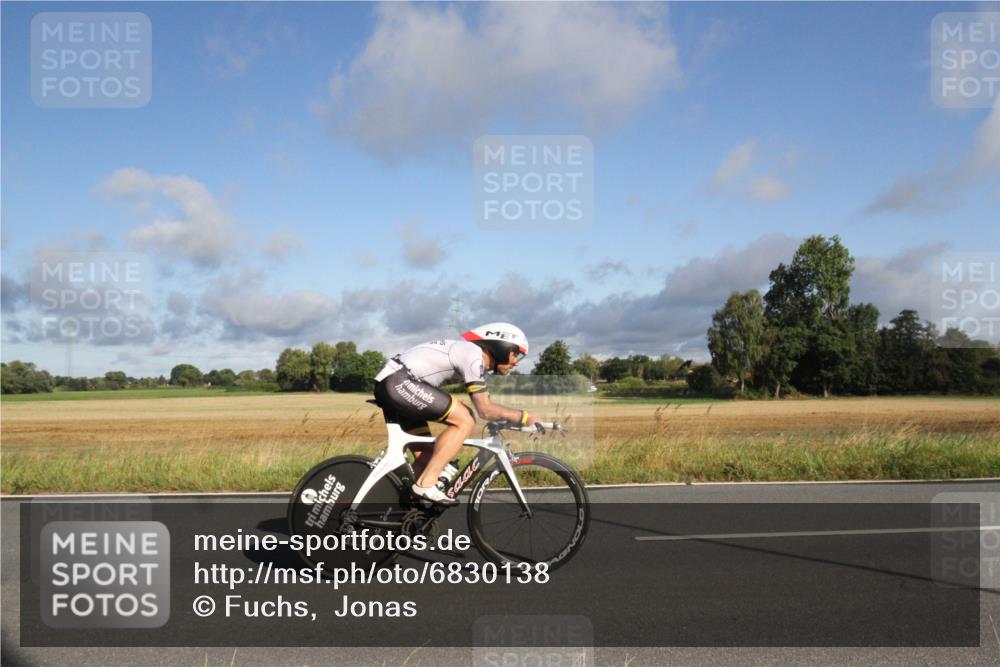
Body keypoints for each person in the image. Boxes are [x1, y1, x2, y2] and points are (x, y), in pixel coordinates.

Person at [372, 322, 539, 506]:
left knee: (427, 458)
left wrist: (510, 419)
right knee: (464, 420)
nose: (516, 361)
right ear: (501, 346)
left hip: (396, 384)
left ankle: (401, 511)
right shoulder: (473, 355)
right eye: (516, 353)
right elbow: (484, 409)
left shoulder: (478, 364)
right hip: (399, 382)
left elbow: (489, 406)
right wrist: (524, 417)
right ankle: (425, 485)